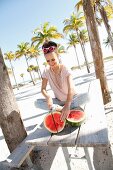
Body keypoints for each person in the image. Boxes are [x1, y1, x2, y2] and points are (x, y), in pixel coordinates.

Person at [41, 41, 77, 121]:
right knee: (38, 103)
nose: (51, 63)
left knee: (87, 98)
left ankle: (63, 109)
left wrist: (67, 105)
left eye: (53, 59)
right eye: (48, 61)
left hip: (72, 99)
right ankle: (62, 109)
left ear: (58, 56)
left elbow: (71, 88)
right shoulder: (46, 71)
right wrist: (48, 97)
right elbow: (43, 89)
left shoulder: (65, 68)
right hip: (59, 101)